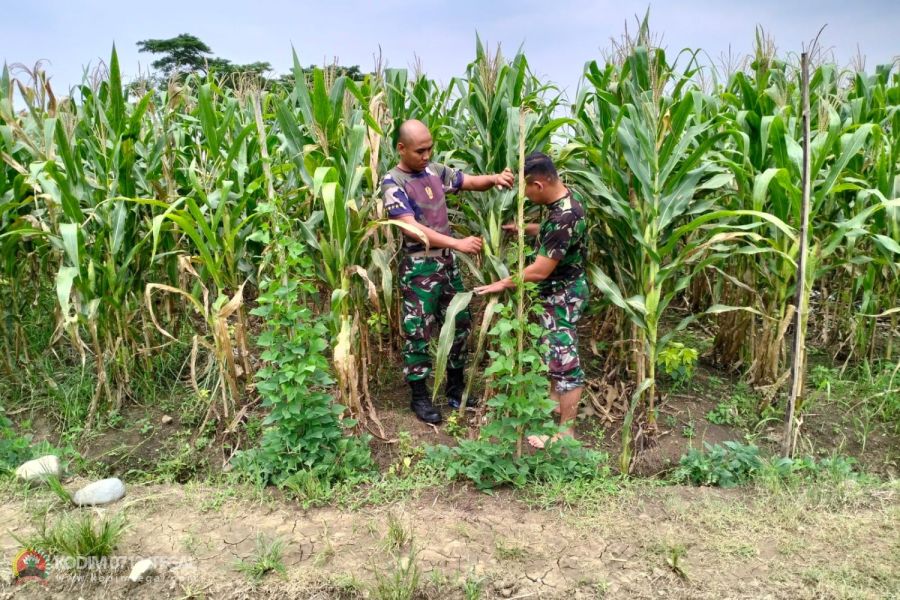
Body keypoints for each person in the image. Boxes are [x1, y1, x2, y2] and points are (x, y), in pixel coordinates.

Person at [382, 119, 515, 424]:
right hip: (419, 268)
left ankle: (456, 390)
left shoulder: (434, 171)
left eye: (430, 148)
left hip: (447, 265)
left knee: (460, 324)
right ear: (401, 149)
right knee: (418, 331)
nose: (427, 155)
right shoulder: (393, 183)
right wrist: (458, 242)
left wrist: (495, 178)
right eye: (420, 151)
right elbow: (413, 230)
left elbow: (467, 181)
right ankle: (420, 397)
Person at [474, 151, 588, 448]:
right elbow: (556, 233)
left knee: (565, 363)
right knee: (554, 359)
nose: (524, 195)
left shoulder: (565, 216)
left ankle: (565, 433)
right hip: (561, 292)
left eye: (525, 189)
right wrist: (526, 229)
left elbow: (539, 270)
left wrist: (501, 283)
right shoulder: (565, 202)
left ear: (538, 185)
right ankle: (551, 420)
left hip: (563, 296)